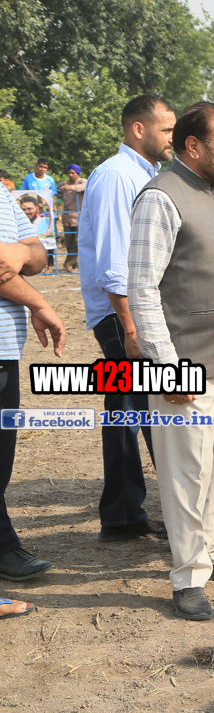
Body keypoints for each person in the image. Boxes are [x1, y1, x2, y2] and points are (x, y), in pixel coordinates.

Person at [127, 102, 214, 620]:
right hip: (184, 368)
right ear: (193, 146)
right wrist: (166, 367)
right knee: (187, 470)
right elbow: (142, 289)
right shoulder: (160, 198)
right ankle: (188, 575)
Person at [79, 95, 175, 543]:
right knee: (150, 410)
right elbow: (116, 263)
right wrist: (132, 328)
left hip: (129, 314)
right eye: (166, 129)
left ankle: (122, 513)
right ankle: (168, 511)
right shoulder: (118, 176)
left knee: (127, 410)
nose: (173, 137)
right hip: (125, 317)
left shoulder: (142, 174)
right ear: (139, 129)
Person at [0, 182, 67, 592]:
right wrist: (39, 302)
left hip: (6, 348)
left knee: (2, 461)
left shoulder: (2, 192)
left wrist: (21, 253)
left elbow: (38, 255)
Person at [58, 164, 86, 271]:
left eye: (73, 173)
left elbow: (84, 187)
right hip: (67, 216)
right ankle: (74, 264)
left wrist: (71, 188)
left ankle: (68, 263)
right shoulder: (63, 184)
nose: (70, 175)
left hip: (79, 215)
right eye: (69, 173)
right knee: (68, 241)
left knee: (78, 240)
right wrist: (62, 192)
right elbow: (57, 192)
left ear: (77, 173)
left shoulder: (82, 181)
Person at [19, 197, 55, 270]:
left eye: (30, 209)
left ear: (37, 208)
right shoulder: (18, 224)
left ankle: (48, 267)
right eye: (23, 209)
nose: (27, 212)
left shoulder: (46, 222)